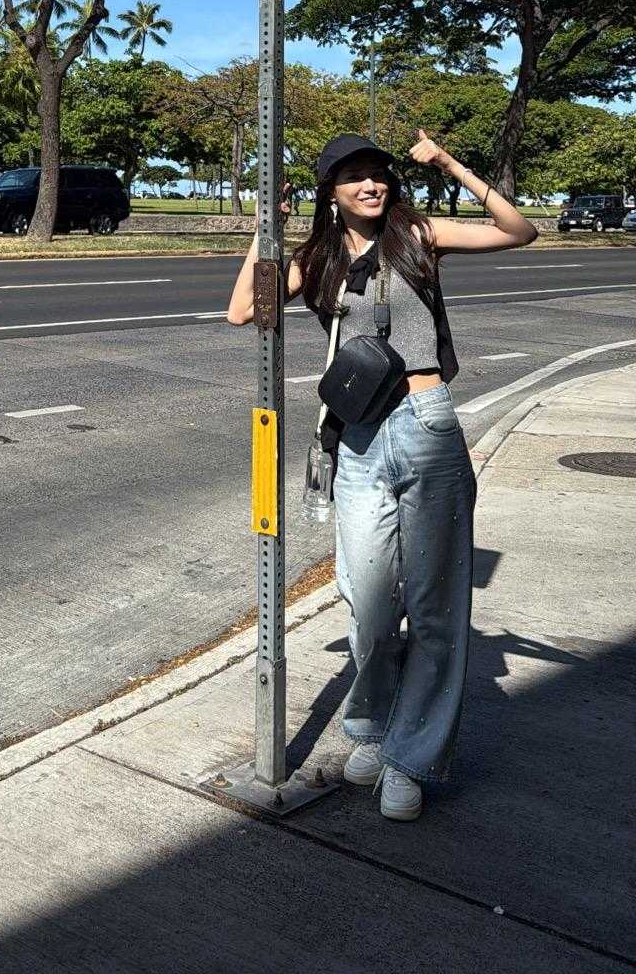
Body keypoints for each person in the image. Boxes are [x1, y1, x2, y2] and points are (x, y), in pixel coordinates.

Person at [227, 129, 537, 821]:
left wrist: (450, 163)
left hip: (427, 424)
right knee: (366, 598)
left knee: (434, 607)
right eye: (353, 177)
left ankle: (411, 758)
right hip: (359, 436)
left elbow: (518, 231)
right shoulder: (318, 257)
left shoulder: (419, 235)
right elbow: (244, 311)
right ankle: (372, 727)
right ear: (331, 192)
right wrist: (266, 228)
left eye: (378, 174)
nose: (370, 185)